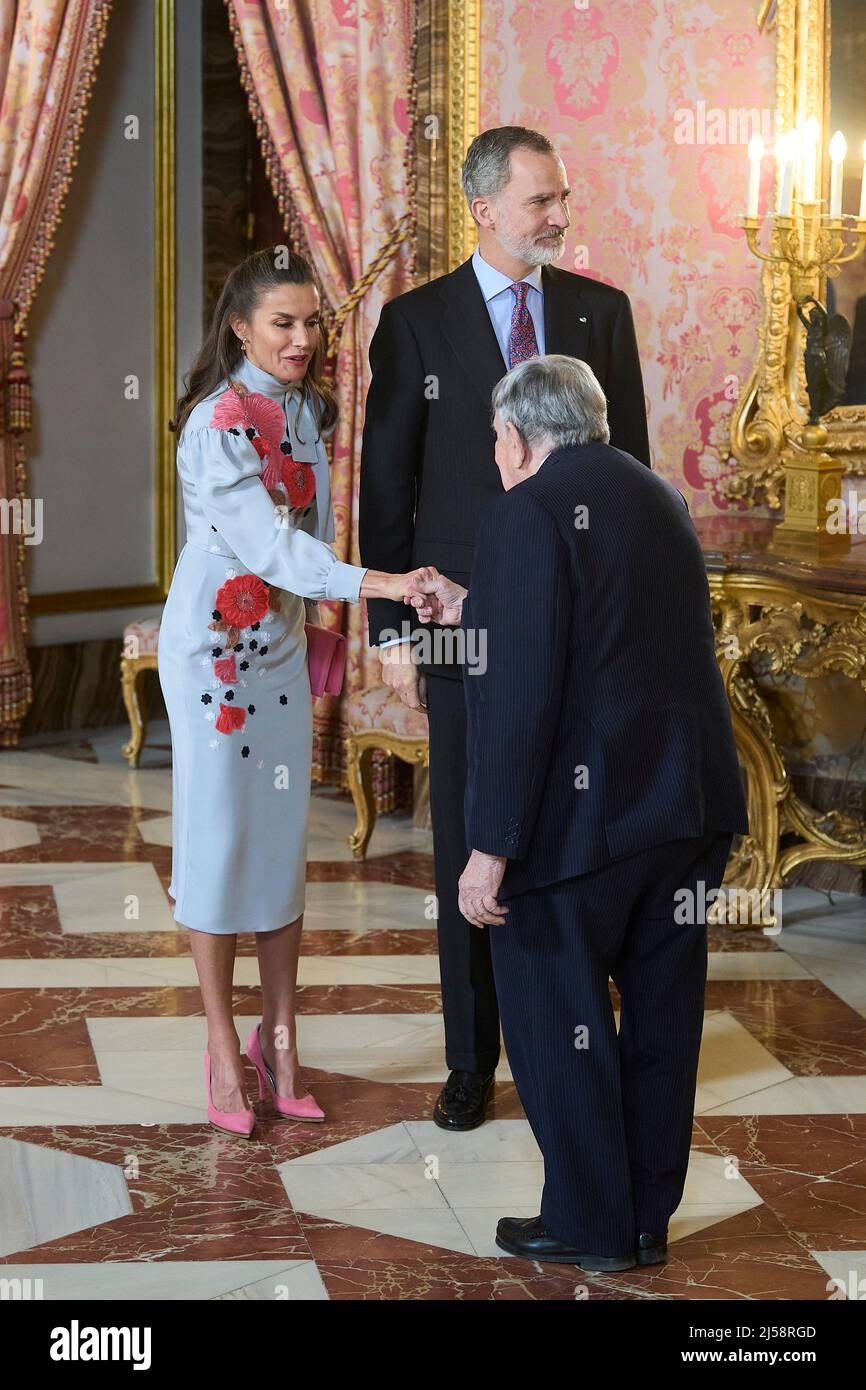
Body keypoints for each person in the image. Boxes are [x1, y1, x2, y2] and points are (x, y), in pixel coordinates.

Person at [407, 354, 749, 1270]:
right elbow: (606, 627)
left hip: (584, 827)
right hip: (684, 806)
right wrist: (478, 607)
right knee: (663, 1017)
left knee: (558, 1017)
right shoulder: (656, 495)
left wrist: (490, 848)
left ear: (518, 436)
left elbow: (519, 695)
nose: (496, 456)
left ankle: (593, 1225)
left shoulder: (527, 508)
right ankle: (642, 1219)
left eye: (494, 441)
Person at [359, 126, 651, 1132]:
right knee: (469, 841)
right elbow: (384, 483)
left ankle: (566, 1035)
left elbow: (631, 477)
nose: (558, 218)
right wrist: (388, 629)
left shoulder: (597, 313)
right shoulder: (414, 322)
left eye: (561, 198)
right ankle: (468, 1059)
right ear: (484, 208)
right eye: (539, 202)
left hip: (582, 625)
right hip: (454, 618)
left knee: (571, 830)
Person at [160, 247, 432, 1138]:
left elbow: (310, 530)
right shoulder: (216, 422)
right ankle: (218, 1042)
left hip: (276, 642)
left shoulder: (306, 412)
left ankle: (281, 1042)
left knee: (278, 843)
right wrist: (381, 586)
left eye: (313, 321)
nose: (304, 338)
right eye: (284, 322)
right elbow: (267, 548)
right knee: (219, 837)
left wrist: (317, 629)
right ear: (240, 326)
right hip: (211, 654)